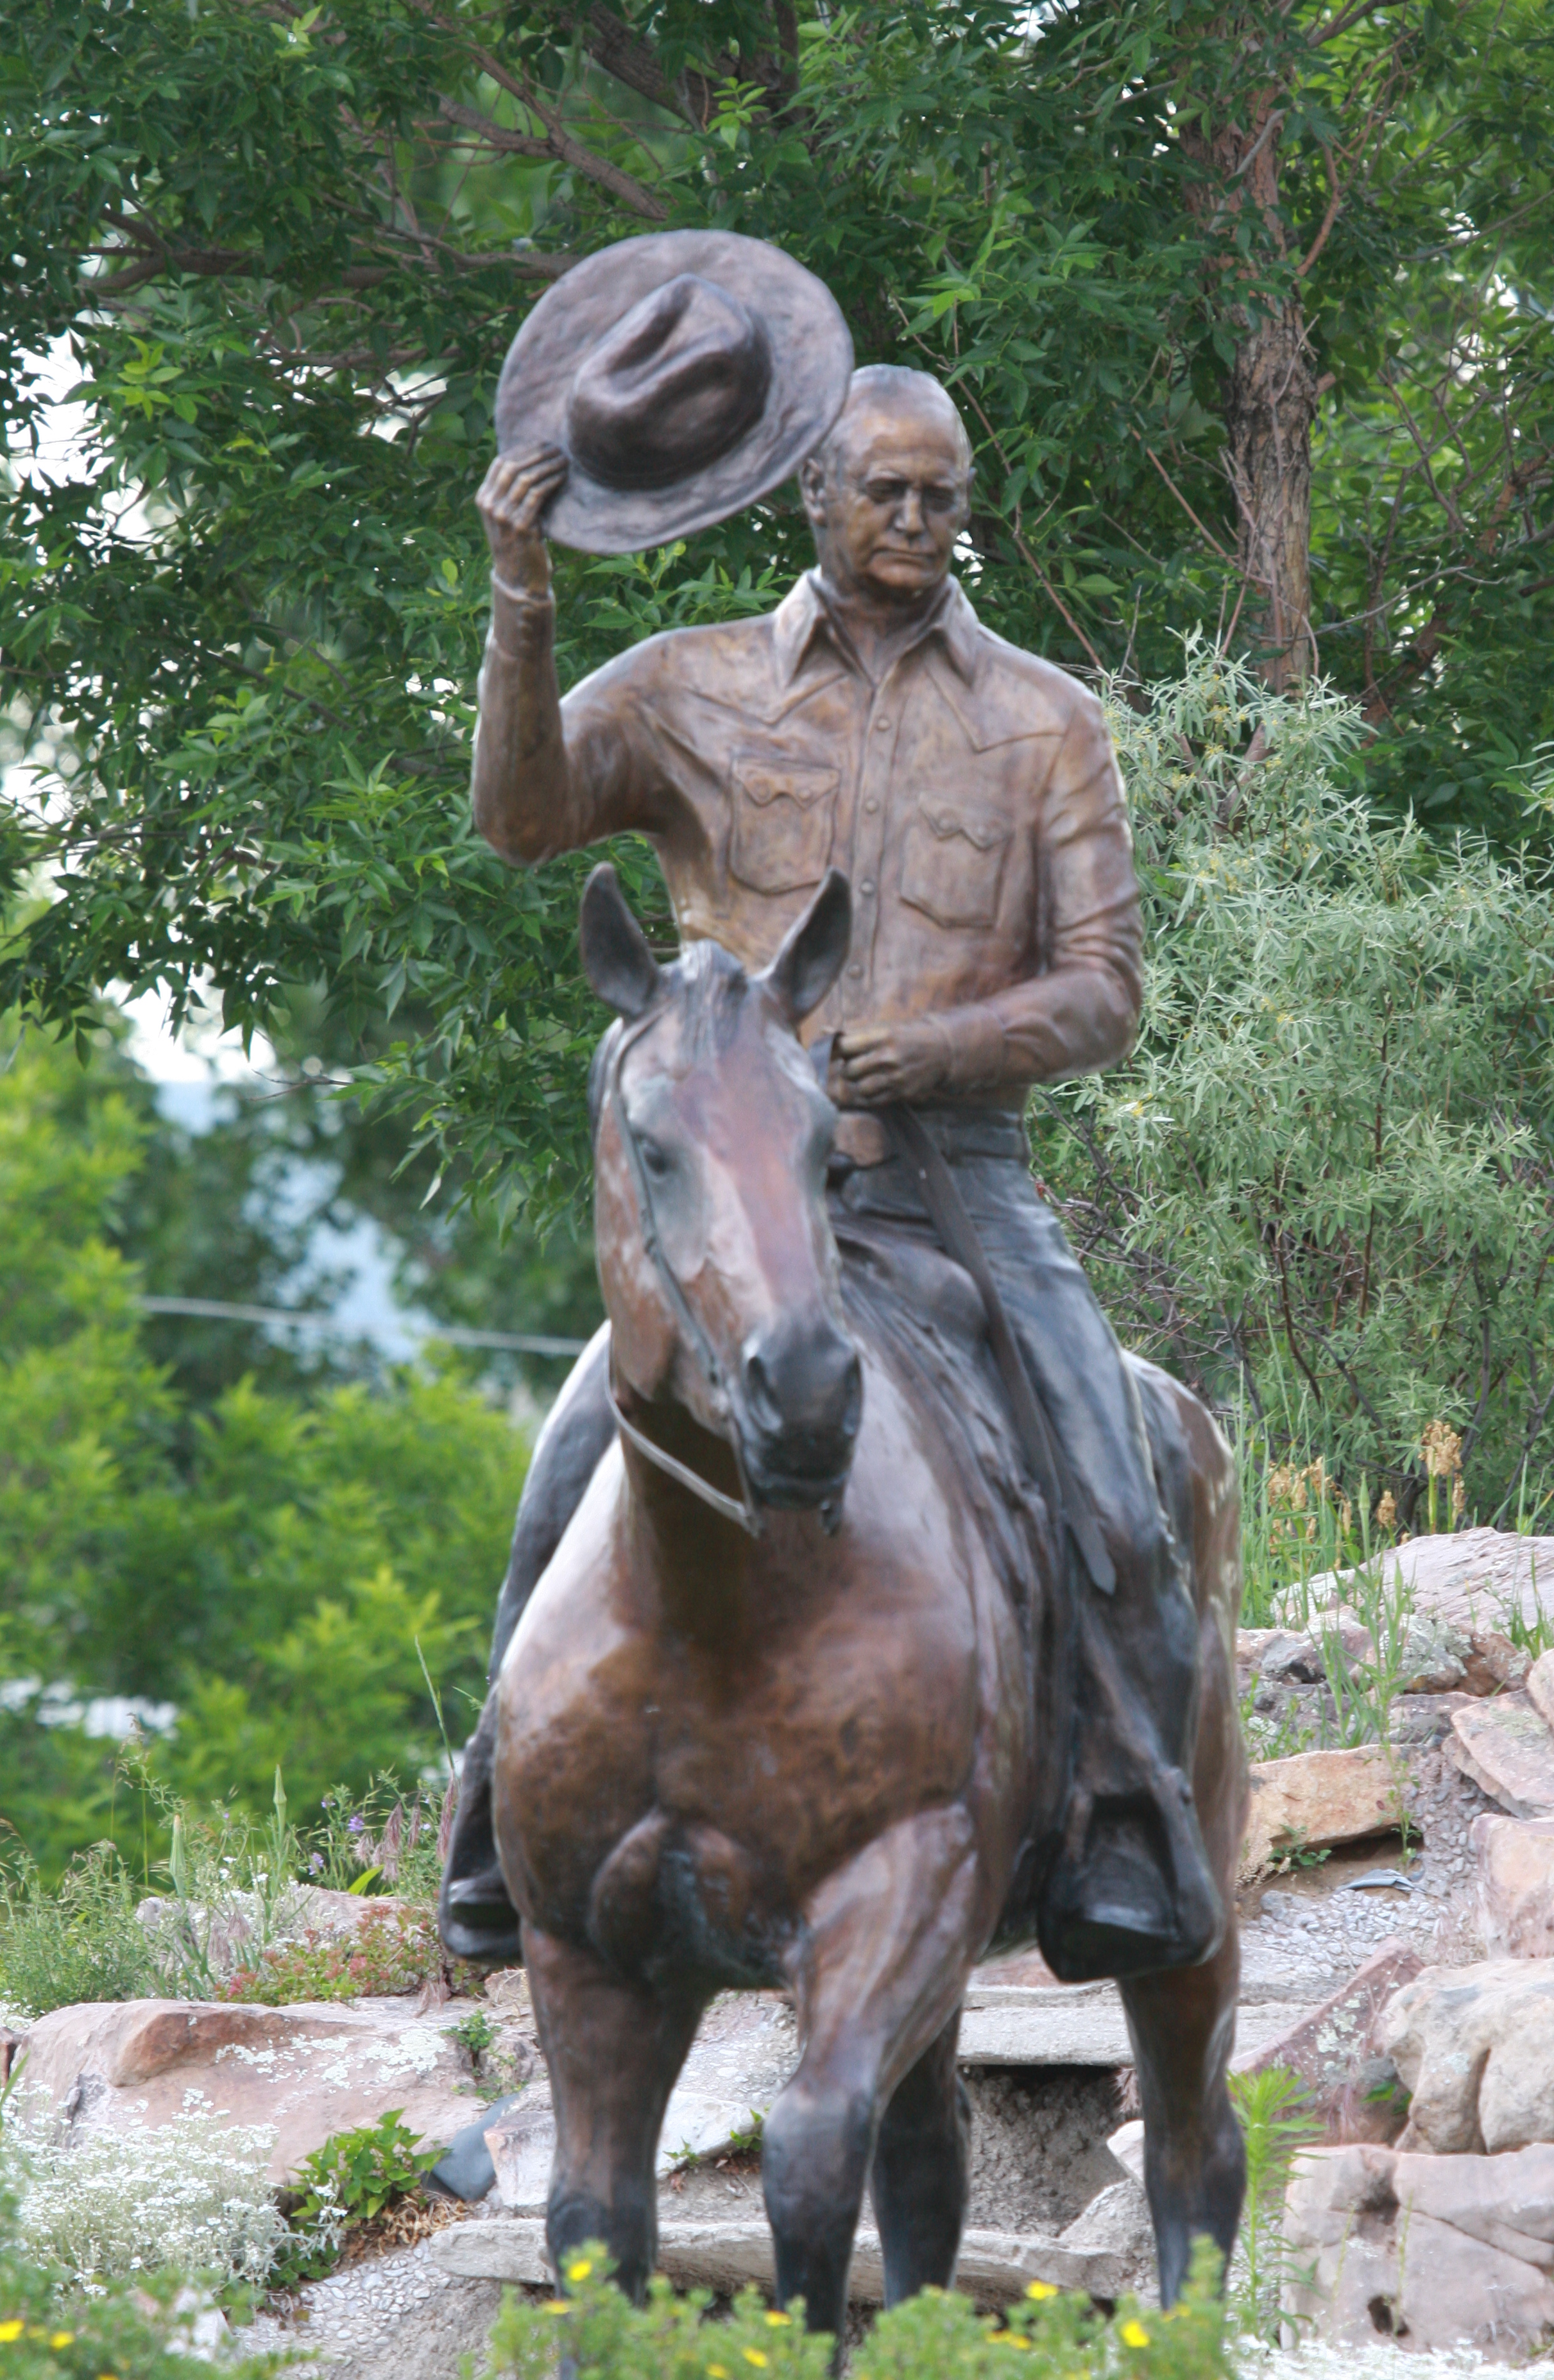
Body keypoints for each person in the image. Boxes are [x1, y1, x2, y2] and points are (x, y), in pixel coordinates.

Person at [445, 331, 1223, 1985]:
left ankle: (1121, 1817)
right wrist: (523, 605)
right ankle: (499, 1815)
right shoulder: (687, 685)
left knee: (1114, 1483)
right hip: (740, 1210)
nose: (921, 521)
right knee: (570, 1463)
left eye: (946, 497)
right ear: (813, 489)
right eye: (888, 489)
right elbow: (522, 819)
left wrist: (941, 1048)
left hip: (956, 1188)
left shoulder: (1045, 725)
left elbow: (1108, 989)